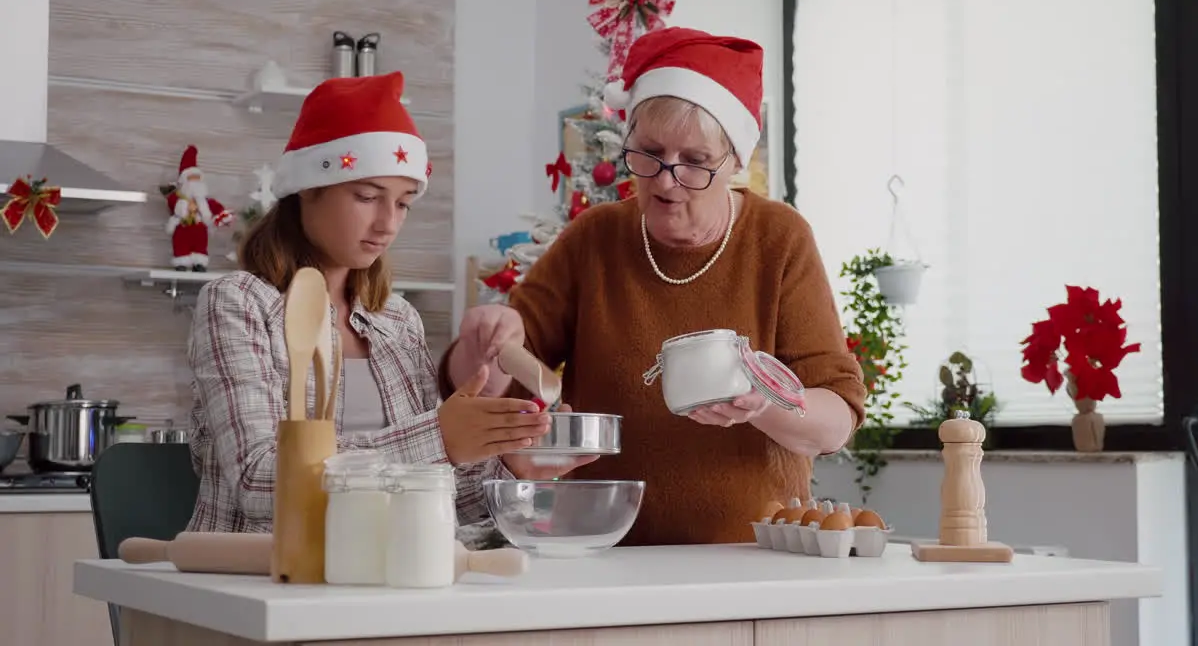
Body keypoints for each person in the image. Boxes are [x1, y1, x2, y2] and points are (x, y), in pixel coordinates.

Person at [442, 27, 867, 546]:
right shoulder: (594, 238)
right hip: (598, 548)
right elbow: (484, 382)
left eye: (694, 161)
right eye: (649, 153)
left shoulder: (779, 240)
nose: (666, 180)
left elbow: (836, 421)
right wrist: (482, 340)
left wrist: (763, 405)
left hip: (750, 555)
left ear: (734, 161)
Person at [185, 72, 590, 534]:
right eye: (367, 196)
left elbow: (446, 502)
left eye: (403, 204)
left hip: (380, 578)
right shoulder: (238, 304)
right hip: (262, 584)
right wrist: (439, 437)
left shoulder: (397, 321)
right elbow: (260, 485)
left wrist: (510, 465)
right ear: (306, 189)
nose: (387, 223)